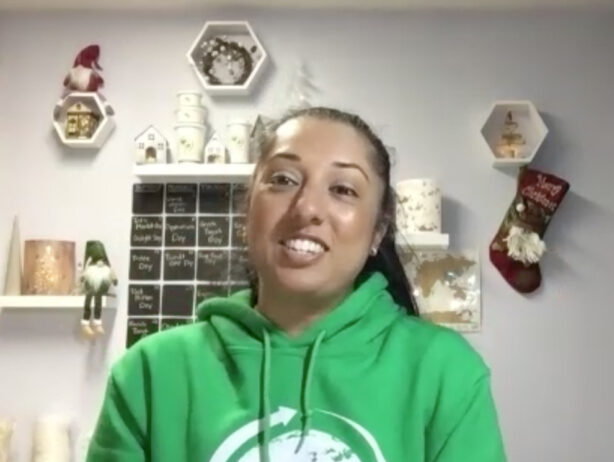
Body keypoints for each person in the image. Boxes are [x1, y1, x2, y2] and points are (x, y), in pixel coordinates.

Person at [86, 107, 506, 462]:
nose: (306, 207)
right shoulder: (149, 373)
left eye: (343, 189)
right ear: (246, 210)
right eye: (283, 180)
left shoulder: (444, 371)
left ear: (377, 231)